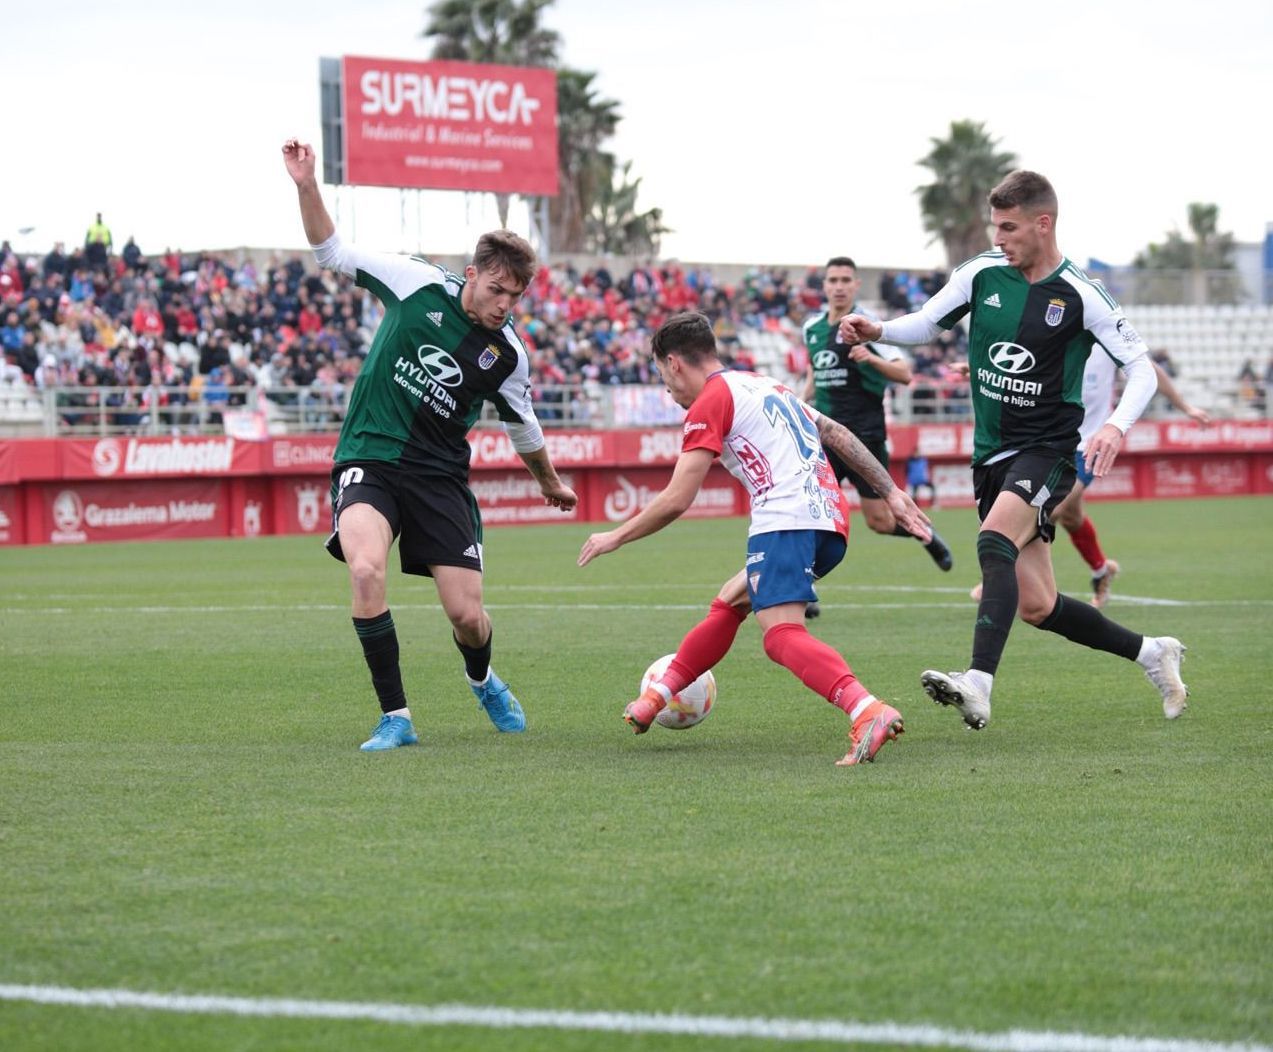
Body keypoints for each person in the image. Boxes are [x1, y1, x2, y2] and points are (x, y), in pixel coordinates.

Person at [838, 170, 1189, 730]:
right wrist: (876, 327)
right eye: (995, 226)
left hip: (1048, 451)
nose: (998, 237)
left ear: (1042, 223)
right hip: (992, 455)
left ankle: (978, 683)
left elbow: (1142, 369)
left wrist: (1116, 426)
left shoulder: (1081, 294)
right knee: (1038, 606)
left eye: (1009, 227)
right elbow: (927, 324)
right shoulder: (981, 273)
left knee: (993, 539)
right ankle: (1153, 653)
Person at [281, 137, 578, 751]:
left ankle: (483, 678)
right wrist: (307, 184)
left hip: (439, 479)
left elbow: (523, 427)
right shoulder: (414, 282)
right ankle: (396, 717)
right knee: (365, 571)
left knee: (467, 616)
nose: (504, 304)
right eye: (497, 289)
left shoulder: (508, 354)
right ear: (472, 274)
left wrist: (549, 482)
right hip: (370, 456)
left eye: (516, 296)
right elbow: (331, 252)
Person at [577, 311, 932, 766]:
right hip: (830, 519)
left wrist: (616, 537)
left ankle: (867, 710)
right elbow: (837, 434)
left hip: (786, 517)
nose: (667, 390)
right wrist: (890, 490)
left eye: (663, 376)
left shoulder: (711, 399)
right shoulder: (765, 384)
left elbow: (677, 499)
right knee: (731, 600)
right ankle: (658, 696)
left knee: (780, 635)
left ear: (674, 363)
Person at [969, 354, 1212, 607]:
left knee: (1050, 507)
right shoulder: (1058, 333)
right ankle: (1101, 569)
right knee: (1071, 515)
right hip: (1051, 441)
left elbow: (1150, 371)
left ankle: (999, 575)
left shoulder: (1105, 337)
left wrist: (1186, 407)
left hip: (1089, 445)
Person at [801, 257, 952, 619]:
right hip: (824, 435)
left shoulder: (865, 326)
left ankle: (925, 534)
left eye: (845, 280)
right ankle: (803, 586)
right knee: (809, 509)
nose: (838, 286)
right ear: (824, 286)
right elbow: (813, 373)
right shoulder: (811, 329)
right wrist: (796, 402)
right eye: (832, 279)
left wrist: (870, 358)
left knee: (880, 522)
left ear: (855, 286)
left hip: (865, 436)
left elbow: (903, 375)